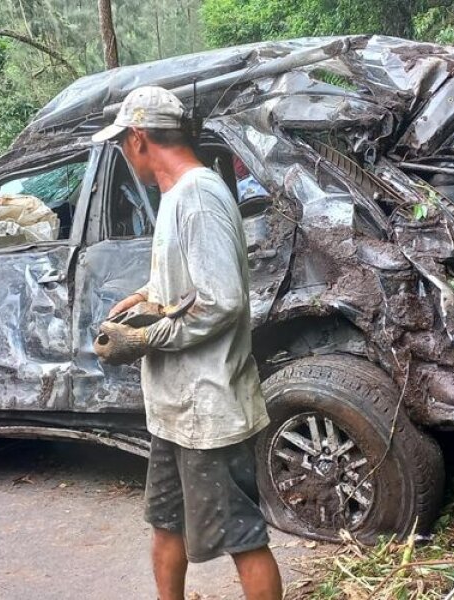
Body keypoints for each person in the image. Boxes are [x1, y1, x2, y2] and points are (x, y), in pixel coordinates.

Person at [91, 86, 283, 600]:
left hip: (210, 408)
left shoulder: (197, 198)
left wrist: (146, 337)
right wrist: (144, 297)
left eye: (122, 145)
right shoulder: (177, 196)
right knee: (164, 522)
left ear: (137, 138)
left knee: (243, 538)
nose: (124, 155)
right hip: (176, 410)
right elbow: (187, 287)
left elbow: (221, 302)